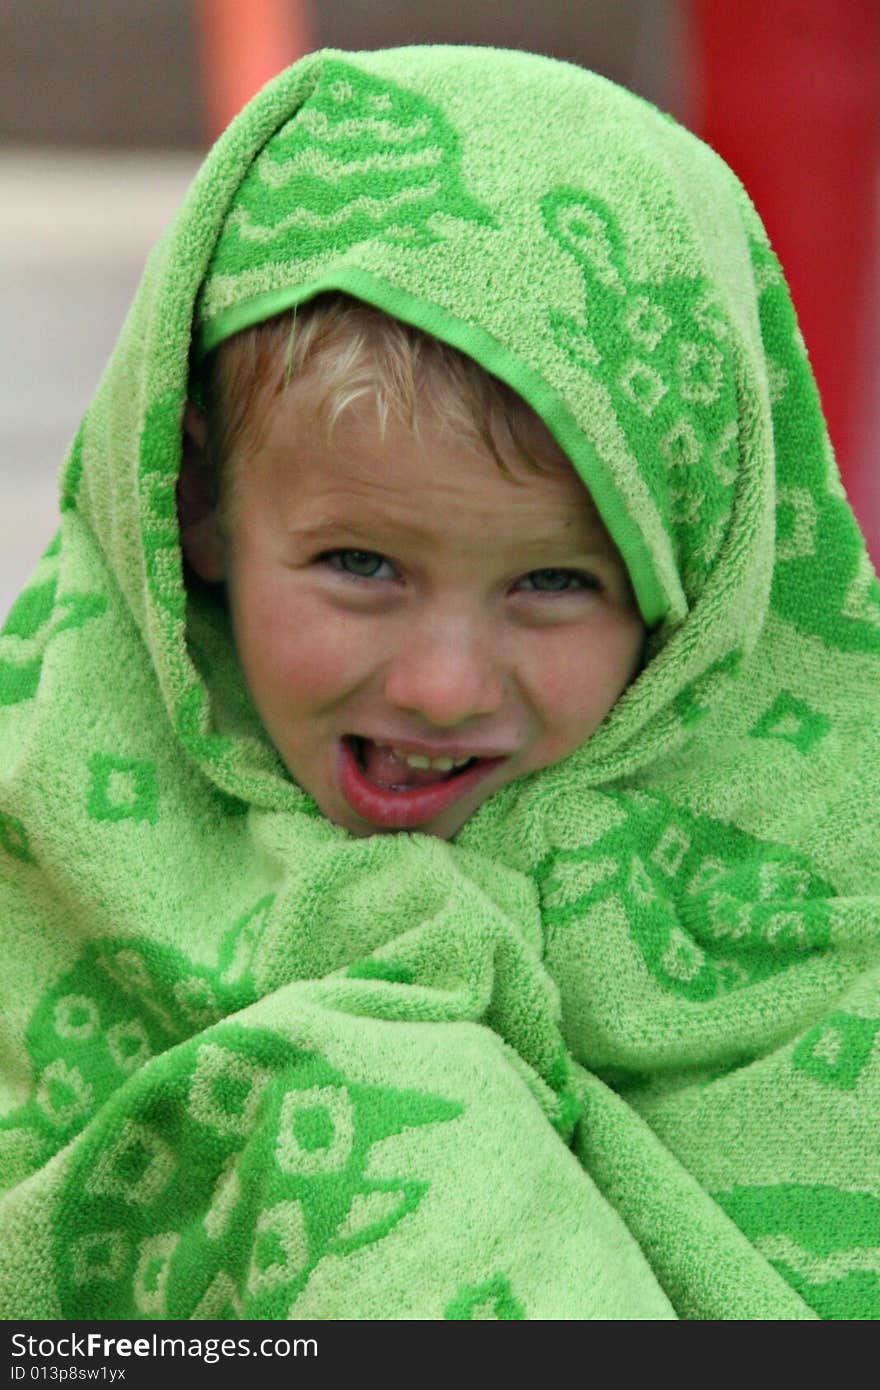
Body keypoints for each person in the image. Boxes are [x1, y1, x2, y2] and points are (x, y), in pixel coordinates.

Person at [0, 45, 877, 1321]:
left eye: (553, 585)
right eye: (360, 564)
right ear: (192, 506)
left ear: (700, 583)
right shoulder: (49, 809)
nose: (444, 684)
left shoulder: (809, 885)